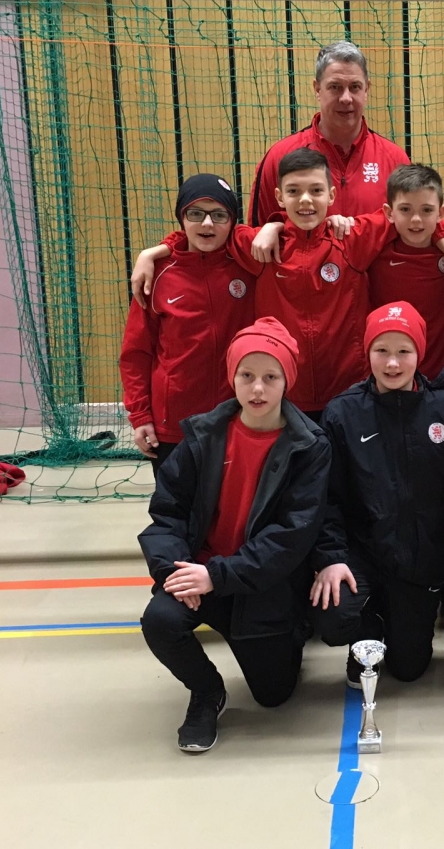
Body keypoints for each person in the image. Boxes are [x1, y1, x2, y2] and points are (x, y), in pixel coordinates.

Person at [130, 148, 444, 422]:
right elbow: (206, 233)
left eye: (315, 191)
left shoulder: (352, 238)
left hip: (348, 392)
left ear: (332, 195)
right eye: (294, 192)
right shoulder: (260, 246)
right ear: (279, 197)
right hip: (284, 397)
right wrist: (156, 251)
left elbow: (415, 217)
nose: (306, 200)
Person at [138, 317, 331, 752]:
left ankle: (292, 632)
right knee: (160, 621)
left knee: (274, 696)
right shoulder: (203, 436)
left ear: (287, 381)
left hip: (261, 584)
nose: (257, 389)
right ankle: (206, 691)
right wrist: (175, 572)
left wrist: (217, 576)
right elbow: (167, 513)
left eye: (270, 377)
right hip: (202, 575)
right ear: (233, 377)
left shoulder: (309, 445)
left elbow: (292, 535)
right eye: (247, 376)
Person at [310, 302, 444, 685]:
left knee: (409, 670)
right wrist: (332, 558)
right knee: (334, 618)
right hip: (364, 555)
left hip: (422, 558)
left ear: (419, 353)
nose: (392, 363)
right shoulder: (343, 413)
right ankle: (367, 624)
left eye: (403, 351)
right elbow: (328, 500)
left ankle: (398, 618)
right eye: (381, 351)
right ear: (367, 352)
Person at [119, 173, 256, 477]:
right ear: (182, 218)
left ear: (233, 222)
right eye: (195, 213)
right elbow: (136, 353)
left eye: (219, 215)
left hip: (237, 417)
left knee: (232, 504)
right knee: (175, 505)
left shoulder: (249, 266)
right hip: (173, 425)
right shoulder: (157, 275)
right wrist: (140, 416)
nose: (207, 224)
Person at [248, 41, 410, 225]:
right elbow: (258, 234)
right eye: (335, 87)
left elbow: (412, 231)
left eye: (355, 87)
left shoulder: (395, 160)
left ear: (366, 89)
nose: (346, 98)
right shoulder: (279, 157)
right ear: (317, 89)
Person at [367, 164, 444, 379]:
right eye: (405, 210)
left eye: (426, 210)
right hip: (390, 373)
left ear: (441, 212)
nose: (416, 219)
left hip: (443, 375)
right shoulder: (374, 250)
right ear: (389, 212)